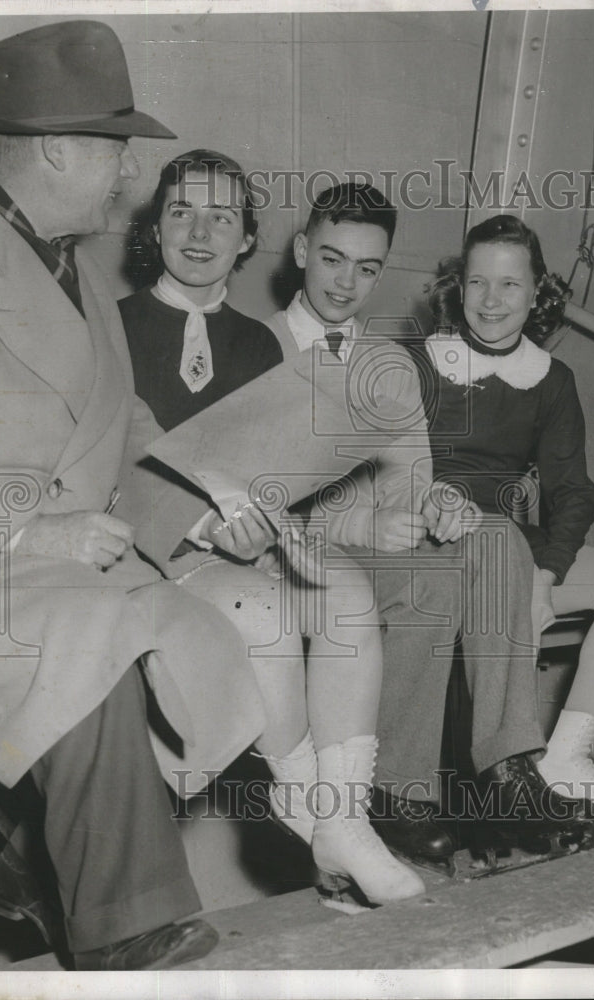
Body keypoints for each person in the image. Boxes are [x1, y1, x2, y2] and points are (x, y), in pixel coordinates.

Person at [0, 21, 283, 971]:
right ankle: (124, 925)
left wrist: (206, 505)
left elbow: (125, 432)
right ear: (61, 149)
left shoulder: (70, 259)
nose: (128, 178)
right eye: (119, 152)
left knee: (198, 624)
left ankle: (44, 861)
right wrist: (38, 534)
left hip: (48, 566)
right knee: (93, 628)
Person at [118, 151, 425, 912]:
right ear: (152, 226)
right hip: (154, 548)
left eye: (222, 218)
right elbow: (109, 460)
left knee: (345, 592)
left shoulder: (259, 344)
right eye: (182, 212)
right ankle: (307, 808)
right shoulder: (108, 323)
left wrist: (274, 520)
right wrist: (205, 521)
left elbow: (269, 467)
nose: (199, 232)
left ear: (247, 239)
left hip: (243, 542)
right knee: (267, 612)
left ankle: (345, 818)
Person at [266, 183, 593, 868]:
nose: (346, 282)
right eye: (332, 260)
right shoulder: (257, 347)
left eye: (366, 269)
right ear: (300, 253)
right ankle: (400, 788)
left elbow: (408, 467)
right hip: (292, 551)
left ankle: (501, 769)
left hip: (381, 538)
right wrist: (364, 522)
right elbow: (260, 487)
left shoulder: (382, 358)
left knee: (494, 537)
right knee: (433, 580)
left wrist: (431, 505)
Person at [424, 213, 594, 830]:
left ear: (536, 294)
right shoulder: (418, 365)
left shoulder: (551, 380)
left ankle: (566, 756)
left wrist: (546, 576)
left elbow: (574, 493)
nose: (492, 300)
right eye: (478, 283)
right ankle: (509, 773)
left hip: (512, 547)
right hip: (432, 544)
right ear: (459, 287)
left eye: (509, 285)